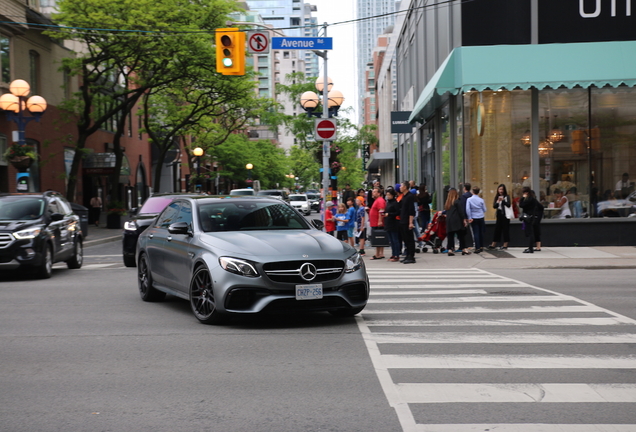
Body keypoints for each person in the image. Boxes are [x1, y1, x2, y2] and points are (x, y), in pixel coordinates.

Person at [444, 188, 468, 256]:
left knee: (450, 235)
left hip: (449, 220)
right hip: (457, 220)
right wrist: (464, 219)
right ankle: (464, 248)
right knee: (461, 235)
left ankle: (450, 249)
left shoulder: (447, 203)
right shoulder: (457, 202)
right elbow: (461, 212)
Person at [488, 184, 512, 250]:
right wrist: (498, 201)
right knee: (497, 229)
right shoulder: (497, 197)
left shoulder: (507, 197)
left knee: (505, 230)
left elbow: (509, 205)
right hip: (499, 214)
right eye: (500, 189)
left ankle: (505, 244)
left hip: (505, 215)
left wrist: (503, 200)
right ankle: (494, 244)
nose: (501, 191)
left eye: (502, 189)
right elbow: (494, 206)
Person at [399, 181, 417, 264]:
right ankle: (407, 255)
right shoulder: (404, 196)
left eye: (401, 186)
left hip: (407, 220)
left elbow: (411, 211)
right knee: (405, 239)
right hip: (402, 220)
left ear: (405, 187)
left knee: (409, 239)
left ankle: (411, 256)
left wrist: (411, 222)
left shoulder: (410, 196)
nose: (400, 187)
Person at [465, 186, 487, 253]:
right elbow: (485, 209)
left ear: (472, 192)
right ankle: (481, 246)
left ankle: (477, 248)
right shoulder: (481, 200)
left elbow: (468, 209)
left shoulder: (469, 199)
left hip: (474, 217)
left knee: (476, 233)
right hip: (481, 217)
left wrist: (469, 217)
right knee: (481, 232)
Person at [519, 186, 540, 253]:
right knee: (531, 233)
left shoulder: (529, 199)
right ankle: (530, 247)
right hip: (531, 217)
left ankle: (530, 248)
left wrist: (522, 198)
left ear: (526, 192)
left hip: (529, 217)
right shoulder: (532, 199)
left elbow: (521, 205)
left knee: (530, 233)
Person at [383, 188, 402, 261]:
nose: (388, 196)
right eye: (387, 195)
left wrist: (390, 214)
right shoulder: (388, 202)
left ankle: (397, 254)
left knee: (395, 239)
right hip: (388, 222)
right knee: (391, 240)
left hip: (394, 223)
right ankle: (393, 254)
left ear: (393, 195)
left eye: (389, 195)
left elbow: (397, 212)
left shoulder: (395, 203)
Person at [369, 187, 386, 260]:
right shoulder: (377, 200)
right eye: (373, 192)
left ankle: (377, 254)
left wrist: (380, 221)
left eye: (375, 192)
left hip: (377, 223)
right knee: (380, 238)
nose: (373, 193)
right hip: (375, 222)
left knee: (378, 238)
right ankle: (381, 253)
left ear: (379, 193)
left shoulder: (380, 200)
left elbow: (381, 211)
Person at [459, 183, 474, 251]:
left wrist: (464, 217)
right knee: (472, 230)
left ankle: (466, 244)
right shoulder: (472, 196)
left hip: (466, 215)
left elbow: (462, 207)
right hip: (473, 215)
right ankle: (473, 243)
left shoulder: (463, 197)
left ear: (464, 188)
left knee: (465, 231)